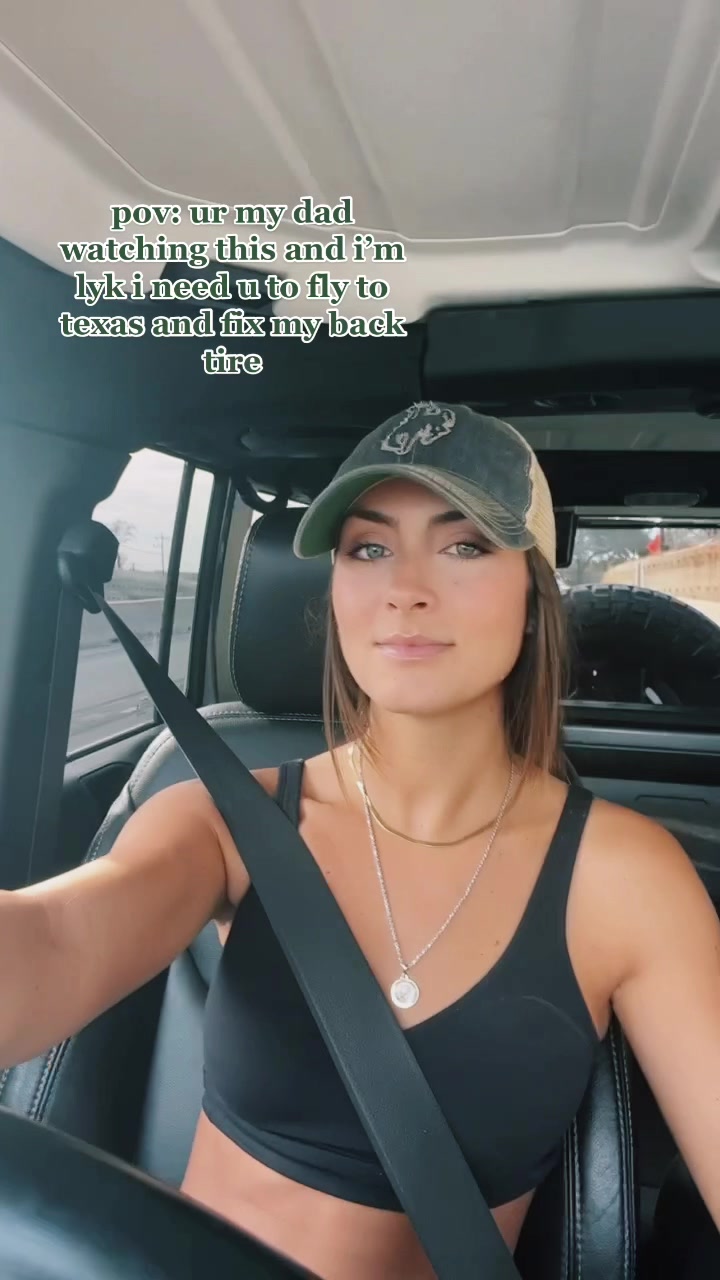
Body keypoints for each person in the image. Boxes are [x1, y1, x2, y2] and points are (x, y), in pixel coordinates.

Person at [1, 400, 719, 1280]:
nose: (404, 588)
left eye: (464, 546)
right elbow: (55, 937)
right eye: (368, 549)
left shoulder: (626, 879)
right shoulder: (220, 821)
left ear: (535, 598)